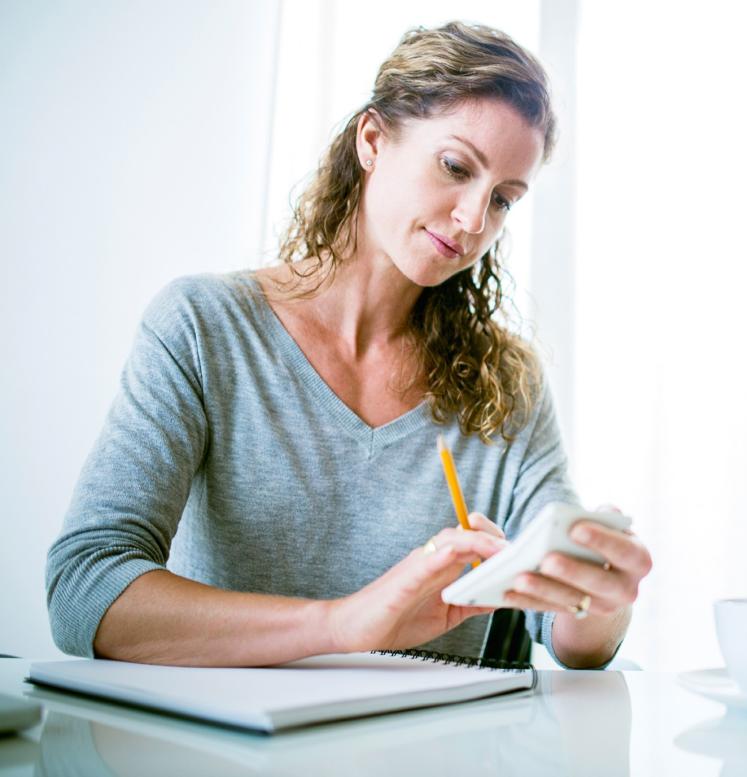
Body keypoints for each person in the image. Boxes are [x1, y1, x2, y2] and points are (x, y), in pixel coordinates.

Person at [44, 22, 651, 669]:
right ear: (373, 140)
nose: (475, 220)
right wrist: (342, 623)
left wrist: (601, 593)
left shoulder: (508, 384)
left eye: (503, 199)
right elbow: (84, 589)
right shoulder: (203, 329)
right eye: (455, 167)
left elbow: (569, 635)